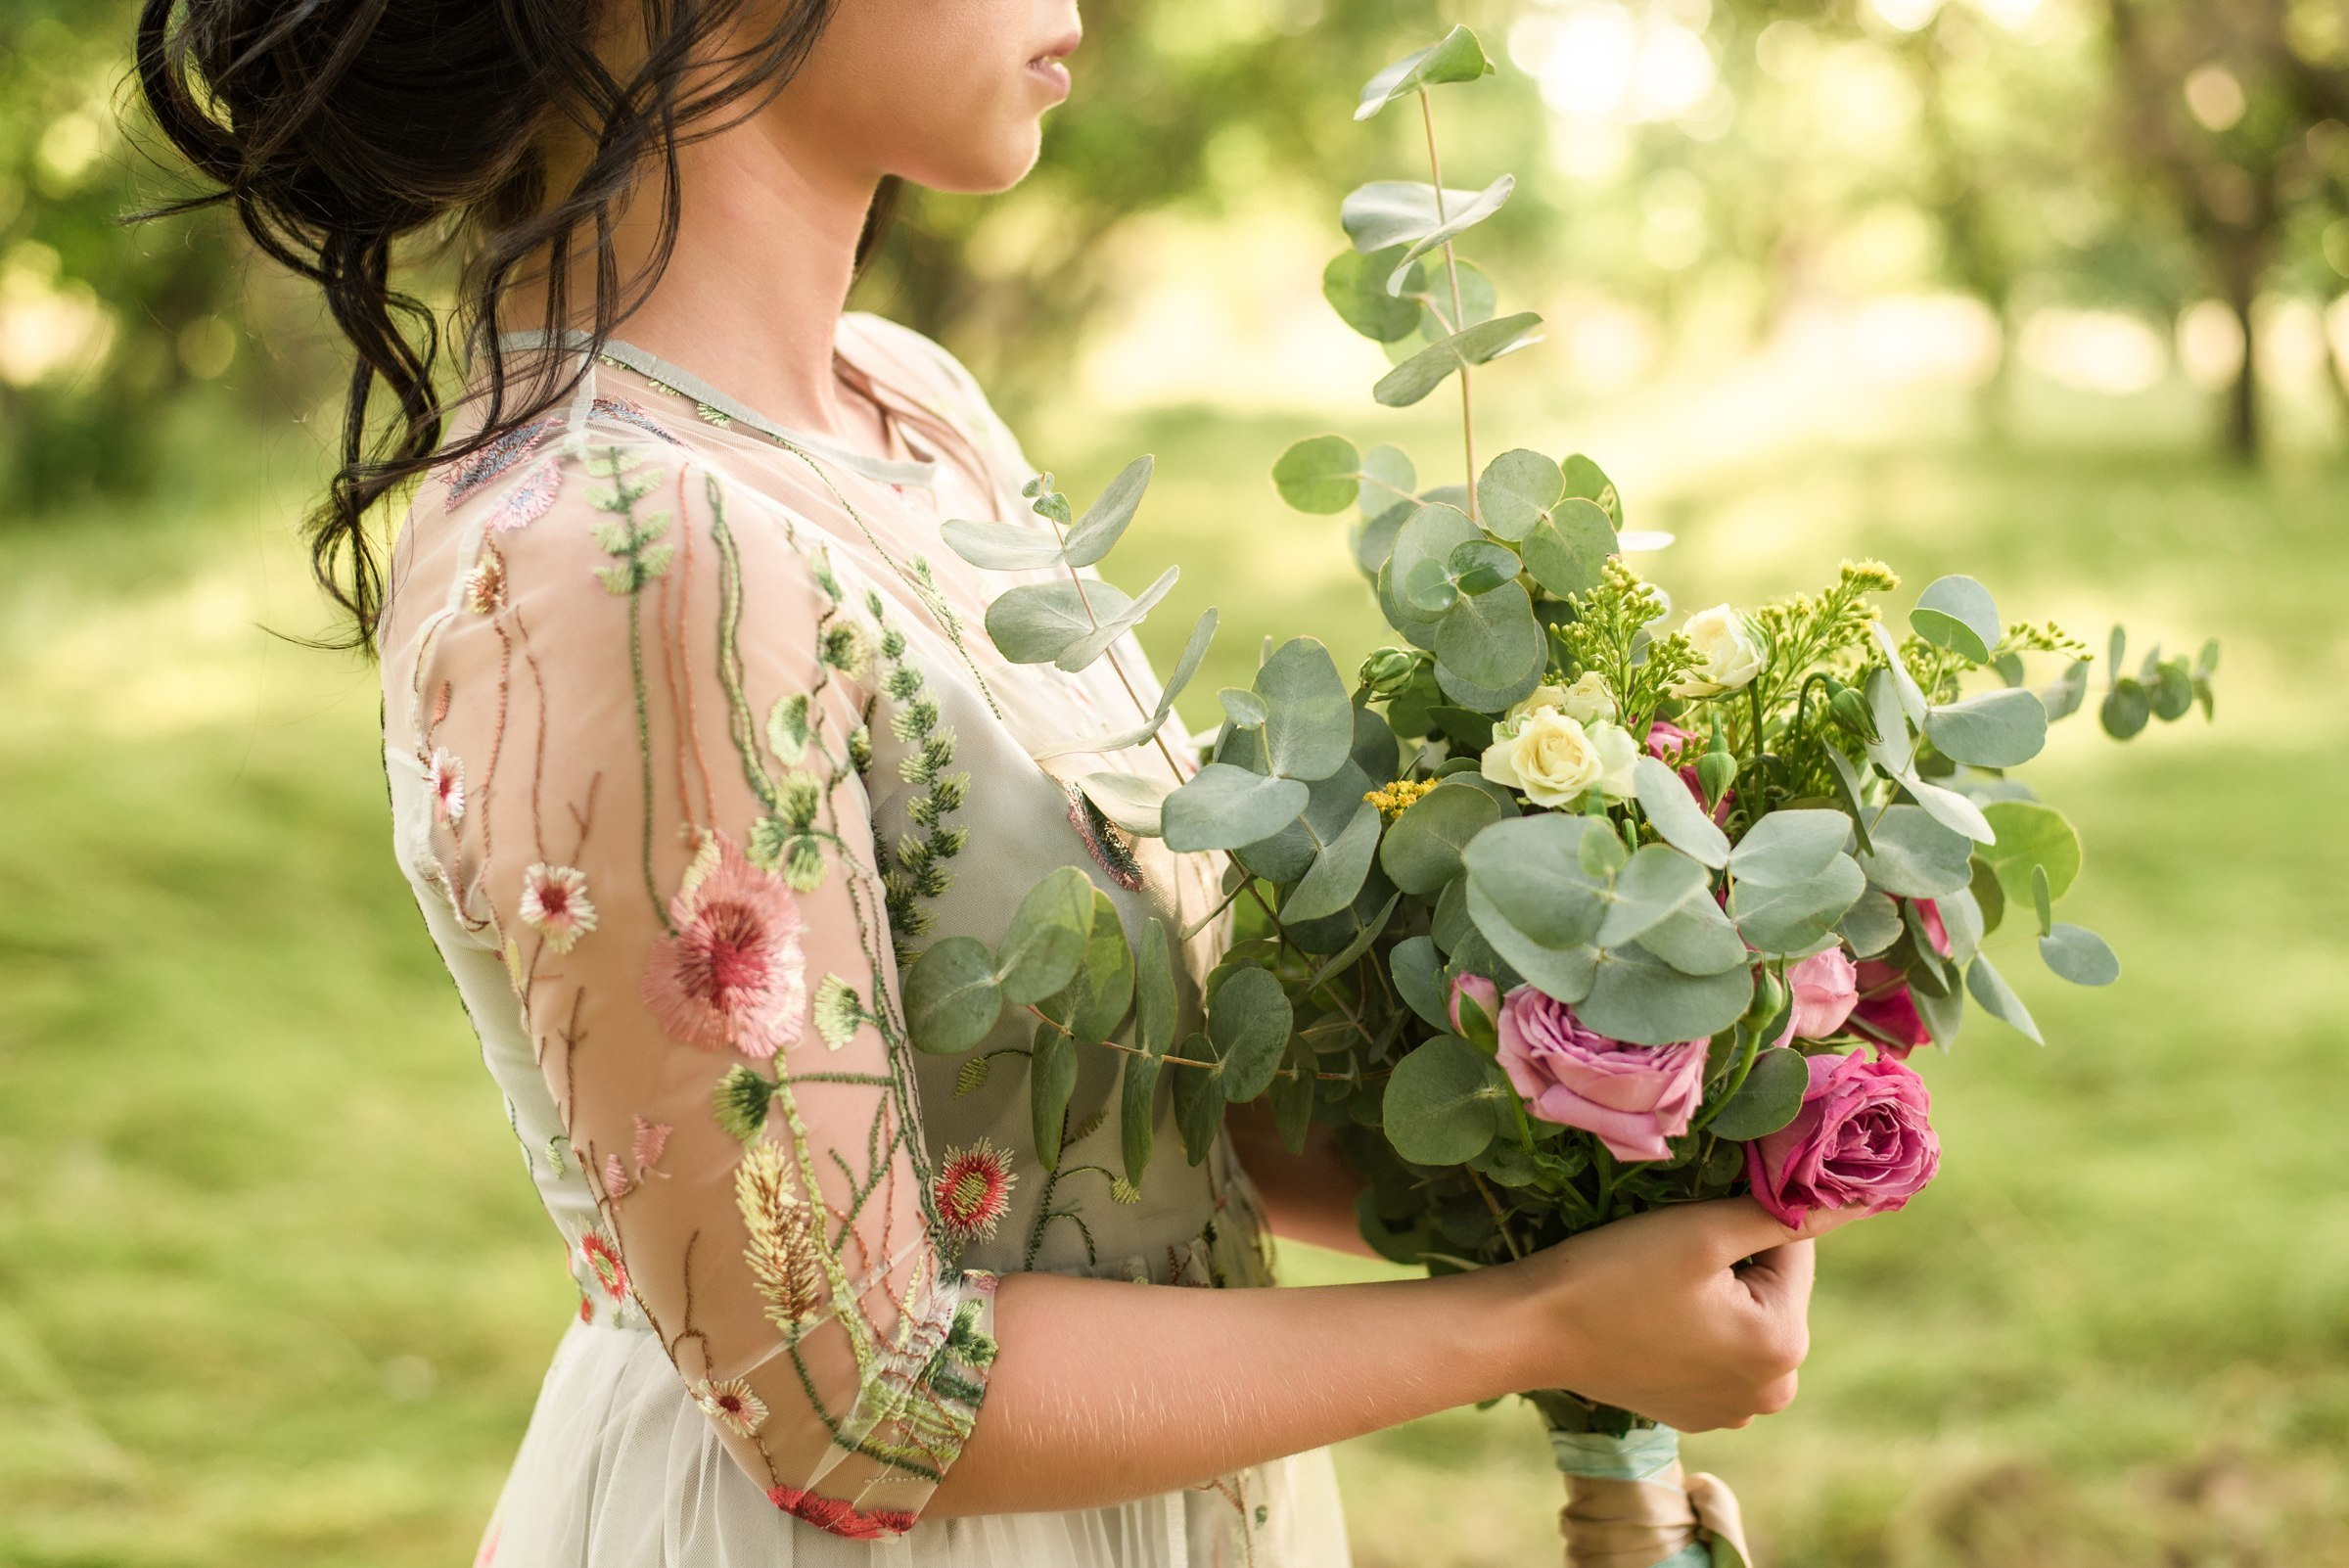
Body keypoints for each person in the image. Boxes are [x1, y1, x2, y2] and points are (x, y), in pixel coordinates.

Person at [136, 2, 1847, 1562]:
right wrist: (1535, 1324)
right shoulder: (620, 551)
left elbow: (1138, 1096)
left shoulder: (912, 409)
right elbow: (856, 1392)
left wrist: (1592, 1136)